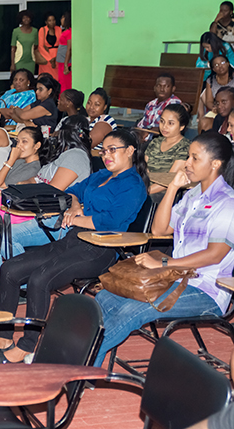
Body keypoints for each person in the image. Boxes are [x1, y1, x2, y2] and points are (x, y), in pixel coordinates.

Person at [0, 129, 148, 363]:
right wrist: (75, 206)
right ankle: (4, 337)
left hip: (101, 248)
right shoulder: (101, 175)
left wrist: (76, 218)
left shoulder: (133, 185)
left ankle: (28, 346)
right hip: (74, 240)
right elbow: (71, 192)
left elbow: (111, 222)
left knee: (40, 278)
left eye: (112, 150)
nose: (106, 155)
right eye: (103, 150)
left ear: (130, 151)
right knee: (10, 269)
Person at [93, 132, 234, 367]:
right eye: (188, 156)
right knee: (105, 296)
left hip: (206, 289)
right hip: (173, 278)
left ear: (215, 164)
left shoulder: (227, 203)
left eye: (194, 158)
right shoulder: (192, 195)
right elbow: (159, 230)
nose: (187, 163)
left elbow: (215, 254)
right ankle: (87, 360)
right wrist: (172, 188)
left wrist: (164, 263)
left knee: (132, 309)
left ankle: (82, 364)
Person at [0, 115, 93, 261]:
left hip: (54, 218)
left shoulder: (76, 156)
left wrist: (27, 190)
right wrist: (22, 185)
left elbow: (52, 192)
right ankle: (2, 280)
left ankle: (20, 279)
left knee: (3, 235)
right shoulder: (63, 155)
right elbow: (36, 179)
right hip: (40, 209)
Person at [146, 103, 191, 198]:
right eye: (162, 121)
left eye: (171, 123)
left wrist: (144, 192)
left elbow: (169, 180)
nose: (164, 126)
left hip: (163, 194)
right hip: (144, 188)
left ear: (182, 126)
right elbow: (143, 168)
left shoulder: (185, 147)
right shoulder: (155, 142)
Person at [202, 57, 234, 132]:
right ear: (213, 69)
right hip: (218, 108)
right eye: (216, 65)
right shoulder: (211, 80)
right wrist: (215, 108)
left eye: (222, 63)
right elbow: (209, 101)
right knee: (204, 122)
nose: (220, 66)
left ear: (228, 63)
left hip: (231, 108)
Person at [37, 12, 62, 80]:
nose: (52, 22)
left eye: (53, 20)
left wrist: (56, 57)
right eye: (50, 20)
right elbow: (40, 46)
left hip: (57, 58)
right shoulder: (42, 30)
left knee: (57, 78)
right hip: (46, 59)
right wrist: (50, 59)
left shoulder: (58, 29)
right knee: (46, 78)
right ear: (46, 22)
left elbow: (61, 44)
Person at [56, 11, 72, 92]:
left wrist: (66, 65)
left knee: (65, 84)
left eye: (62, 18)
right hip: (61, 62)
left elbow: (69, 48)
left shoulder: (69, 32)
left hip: (65, 62)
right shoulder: (65, 31)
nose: (61, 20)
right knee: (61, 82)